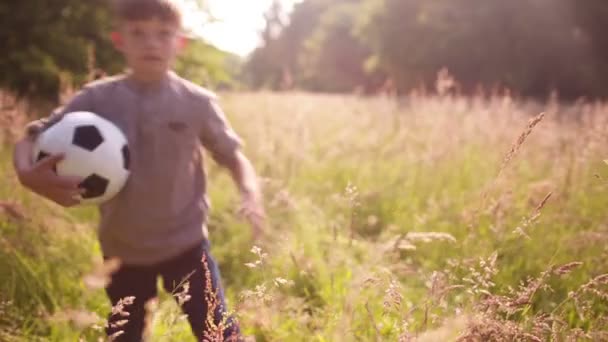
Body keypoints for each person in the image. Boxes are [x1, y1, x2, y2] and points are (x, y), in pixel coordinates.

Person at [11, 0, 265, 340]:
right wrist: (26, 174)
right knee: (126, 336)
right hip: (122, 251)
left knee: (218, 333)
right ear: (120, 41)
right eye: (138, 33)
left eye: (163, 34)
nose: (151, 43)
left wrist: (249, 192)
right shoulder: (97, 100)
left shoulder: (196, 102)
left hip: (187, 246)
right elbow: (31, 136)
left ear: (180, 42)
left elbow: (234, 157)